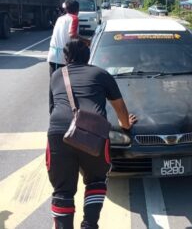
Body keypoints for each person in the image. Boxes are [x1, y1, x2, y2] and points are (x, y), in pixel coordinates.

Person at [47, 39, 137, 229]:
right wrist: (126, 125)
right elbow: (119, 106)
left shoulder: (56, 75)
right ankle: (89, 225)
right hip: (93, 131)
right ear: (89, 56)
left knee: (62, 189)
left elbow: (52, 108)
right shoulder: (101, 74)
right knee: (96, 180)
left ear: (65, 57)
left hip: (59, 132)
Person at [47, 0, 90, 113]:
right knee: (68, 85)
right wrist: (86, 41)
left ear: (66, 9)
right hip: (64, 57)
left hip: (53, 55)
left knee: (53, 84)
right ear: (77, 9)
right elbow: (72, 34)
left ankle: (53, 111)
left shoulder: (60, 18)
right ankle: (68, 111)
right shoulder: (74, 18)